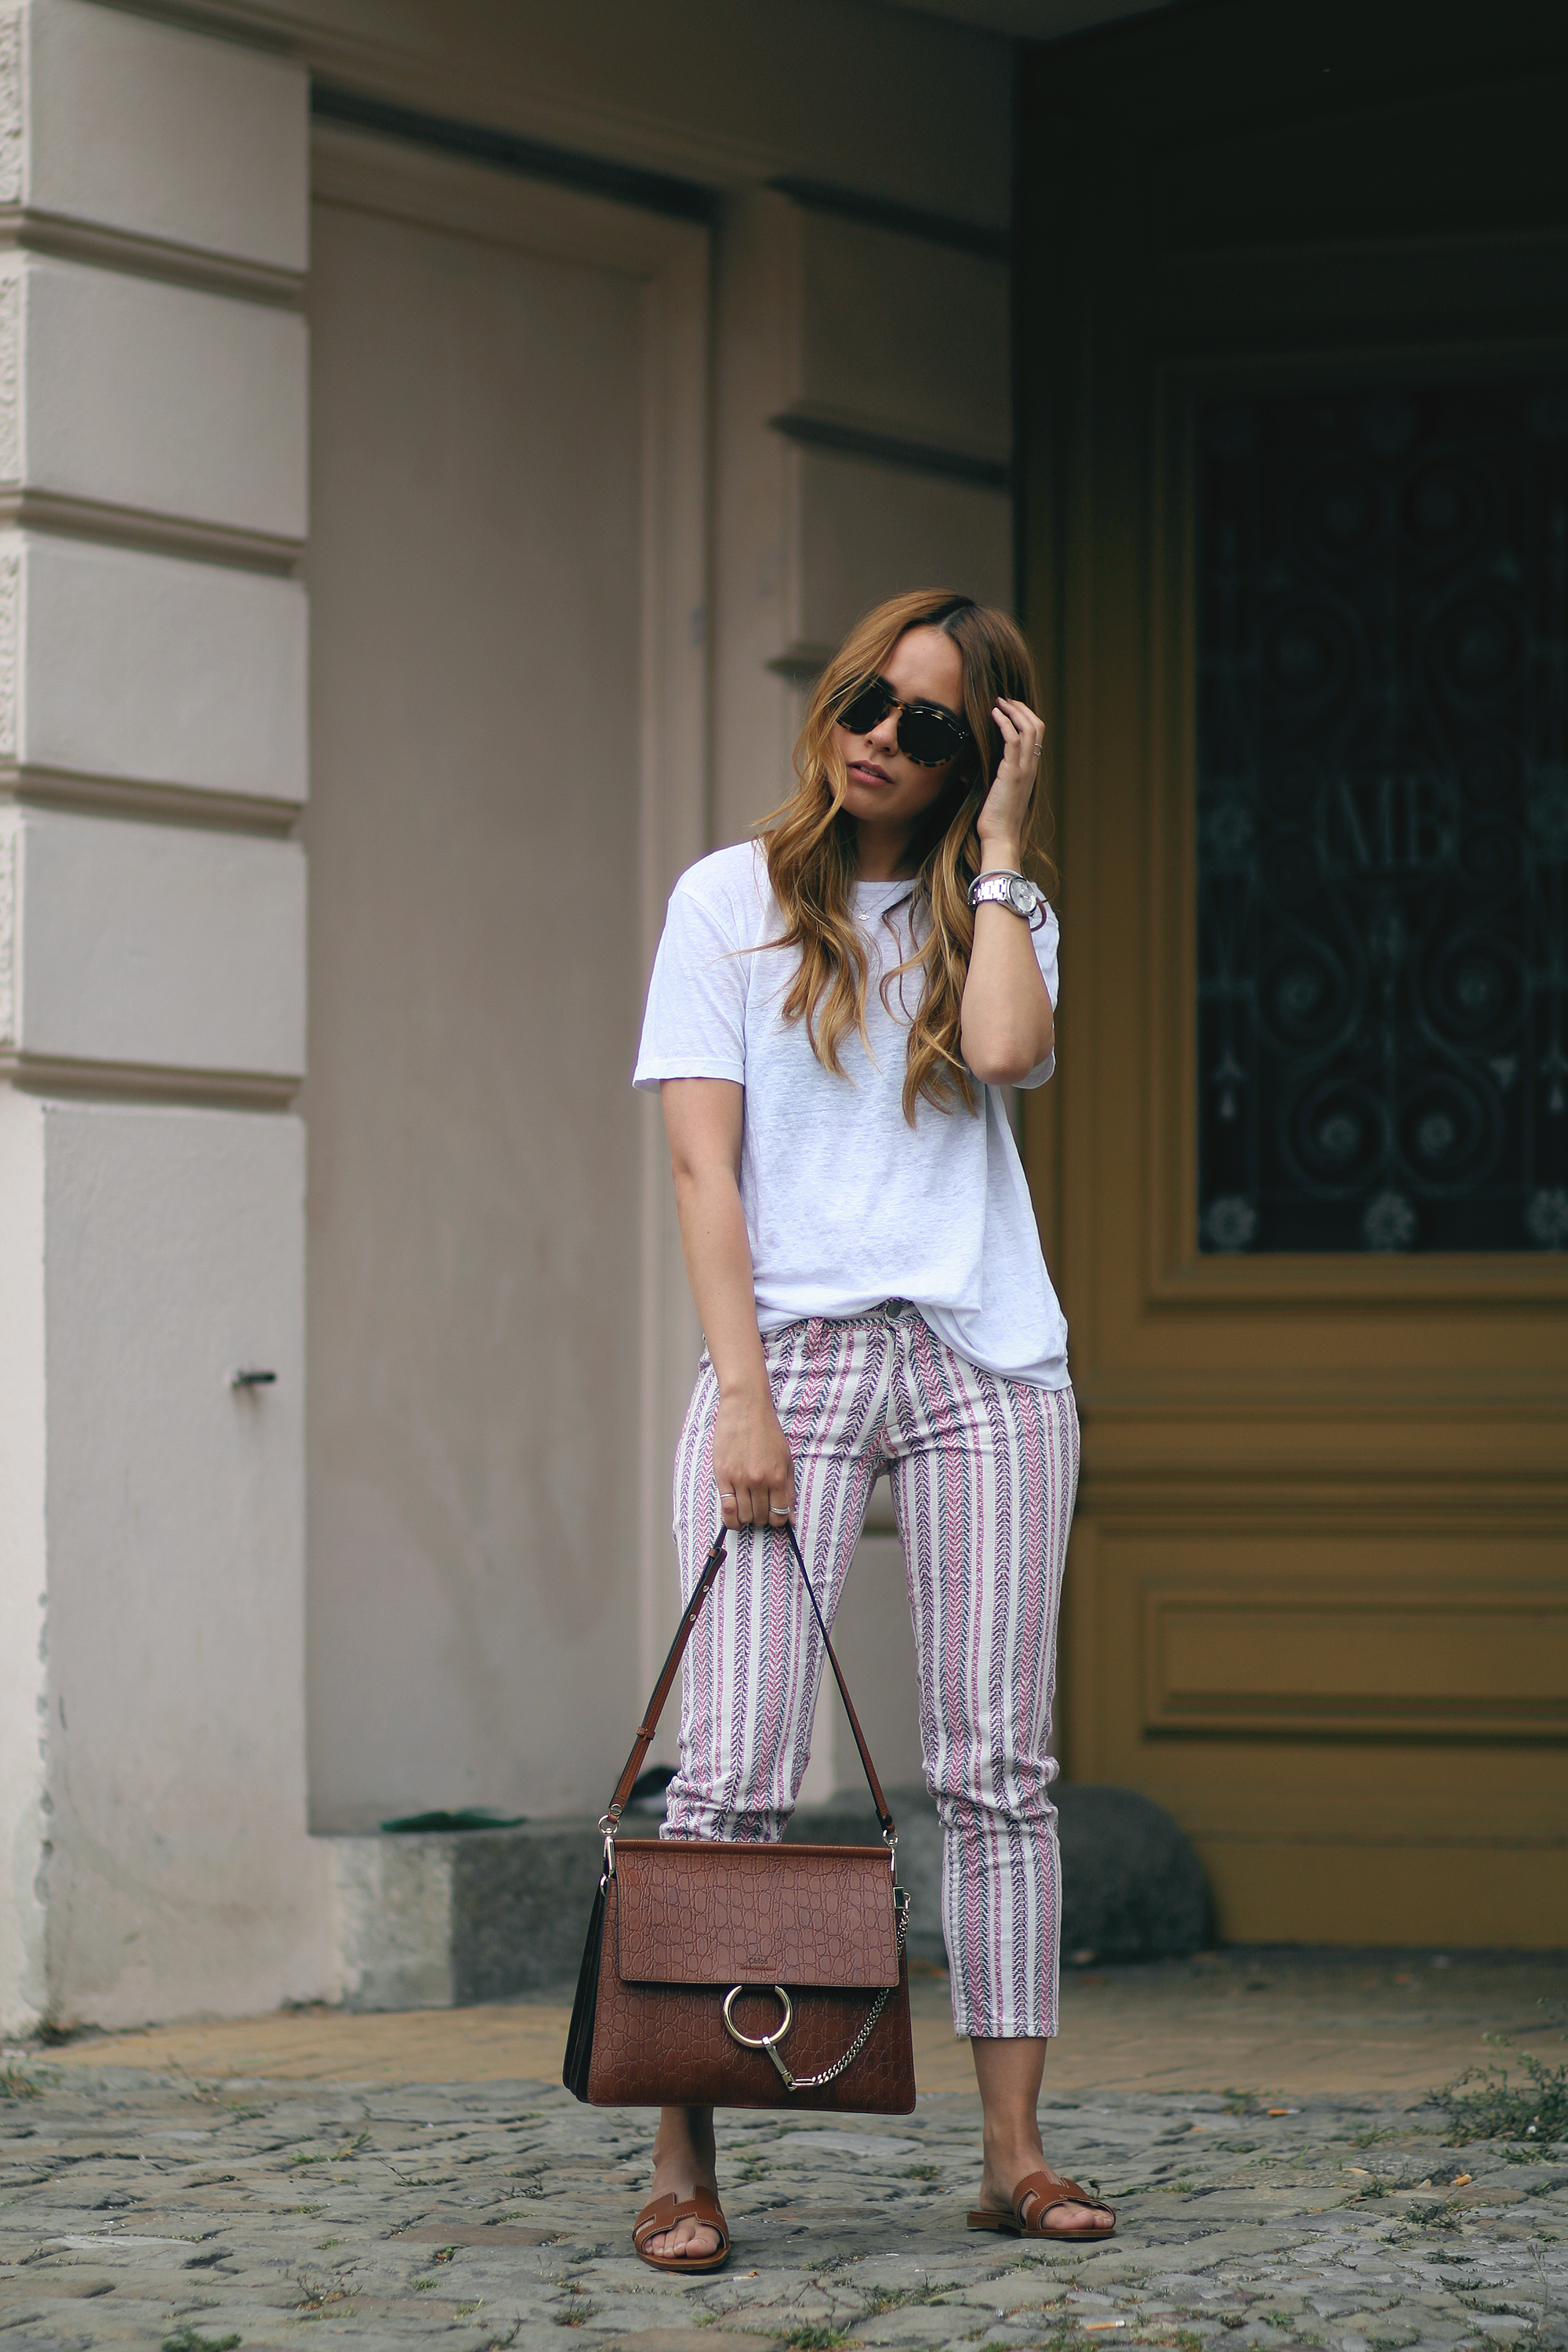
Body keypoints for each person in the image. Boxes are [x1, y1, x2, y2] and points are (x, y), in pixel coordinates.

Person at [627, 588, 1113, 2270]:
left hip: (988, 1356)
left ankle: (1012, 2155)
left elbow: (1001, 1054)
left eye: (931, 725)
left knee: (997, 1769)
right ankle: (685, 2160)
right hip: (794, 1363)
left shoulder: (1004, 910)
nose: (882, 738)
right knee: (735, 1771)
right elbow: (702, 1170)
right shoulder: (725, 901)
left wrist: (1001, 846)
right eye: (867, 701)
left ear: (975, 753)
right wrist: (741, 1398)